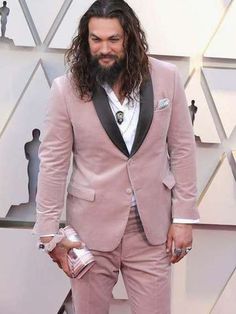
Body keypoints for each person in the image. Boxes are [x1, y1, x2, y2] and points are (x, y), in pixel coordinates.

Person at [33, 1, 200, 313]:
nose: (104, 49)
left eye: (113, 40)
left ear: (130, 39)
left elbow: (182, 149)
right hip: (90, 232)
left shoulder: (166, 78)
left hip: (152, 230)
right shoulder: (65, 90)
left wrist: (184, 218)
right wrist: (48, 234)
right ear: (86, 41)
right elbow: (53, 163)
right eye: (96, 40)